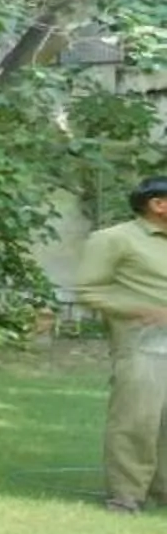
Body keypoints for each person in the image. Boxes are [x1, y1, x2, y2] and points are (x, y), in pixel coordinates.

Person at [71, 176, 167, 511]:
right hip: (143, 342)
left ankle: (162, 492)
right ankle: (127, 497)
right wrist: (145, 311)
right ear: (158, 204)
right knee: (137, 420)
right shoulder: (113, 240)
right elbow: (89, 290)